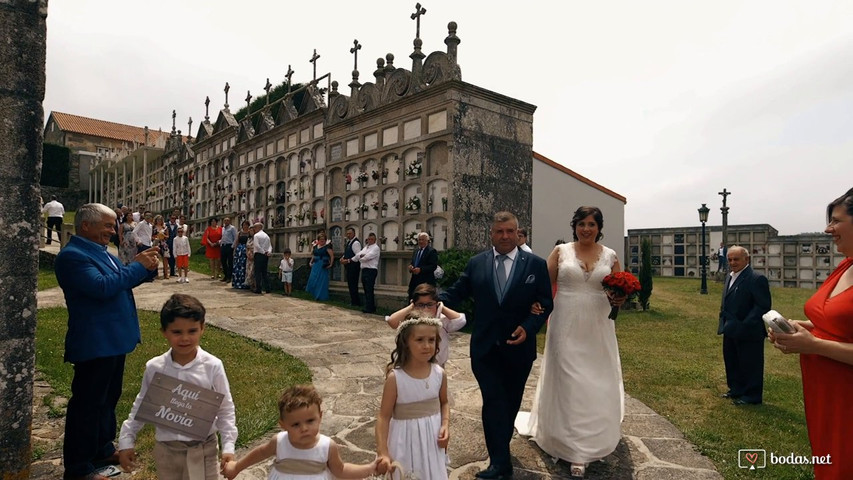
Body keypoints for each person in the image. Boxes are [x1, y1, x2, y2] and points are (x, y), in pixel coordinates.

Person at [439, 211, 552, 480]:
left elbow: (546, 303)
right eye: (499, 232)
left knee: (510, 402)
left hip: (519, 349)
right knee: (492, 401)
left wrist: (528, 326)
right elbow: (456, 292)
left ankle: (500, 450)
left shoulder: (535, 265)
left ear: (517, 233)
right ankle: (500, 463)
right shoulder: (477, 263)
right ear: (491, 233)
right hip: (485, 348)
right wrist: (429, 299)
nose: (505, 236)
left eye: (510, 231)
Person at [516, 206, 626, 477]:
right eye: (581, 223)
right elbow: (542, 286)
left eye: (591, 224)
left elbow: (619, 289)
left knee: (595, 380)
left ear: (599, 227)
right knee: (569, 379)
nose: (586, 229)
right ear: (574, 226)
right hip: (564, 323)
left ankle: (593, 439)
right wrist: (531, 309)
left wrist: (620, 299)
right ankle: (572, 448)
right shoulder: (560, 252)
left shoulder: (610, 256)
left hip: (598, 326)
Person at [54, 203, 159, 480]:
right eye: (108, 225)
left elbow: (119, 281)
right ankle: (78, 468)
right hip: (95, 342)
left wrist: (146, 268)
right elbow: (102, 287)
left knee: (107, 400)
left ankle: (101, 448)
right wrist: (136, 267)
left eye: (113, 225)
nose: (112, 231)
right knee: (87, 406)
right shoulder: (72, 257)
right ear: (86, 225)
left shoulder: (103, 252)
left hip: (113, 340)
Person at [769, 188, 853, 479]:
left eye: (836, 221)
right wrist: (804, 328)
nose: (828, 229)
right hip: (825, 395)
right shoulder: (845, 265)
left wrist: (814, 344)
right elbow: (840, 325)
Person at [118, 294, 237, 479]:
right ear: (164, 331)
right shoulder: (155, 368)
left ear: (202, 329)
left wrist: (229, 446)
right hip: (167, 451)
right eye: (177, 332)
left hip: (204, 449)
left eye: (192, 331)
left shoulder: (212, 366)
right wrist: (127, 440)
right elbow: (142, 405)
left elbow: (225, 408)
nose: (185, 338)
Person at [223, 384, 378, 480]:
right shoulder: (279, 442)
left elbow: (341, 470)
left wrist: (370, 469)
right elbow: (259, 453)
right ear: (283, 425)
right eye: (295, 424)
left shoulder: (327, 446)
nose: (304, 428)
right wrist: (237, 467)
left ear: (320, 417)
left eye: (310, 421)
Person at [376, 316, 450, 480]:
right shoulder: (396, 378)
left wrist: (445, 425)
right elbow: (383, 416)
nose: (426, 346)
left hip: (432, 442)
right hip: (404, 441)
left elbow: (444, 402)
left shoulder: (439, 374)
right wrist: (383, 452)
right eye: (419, 340)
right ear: (406, 343)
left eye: (431, 340)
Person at [717, 245, 771, 405]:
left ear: (746, 259)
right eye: (730, 259)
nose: (732, 262)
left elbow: (762, 305)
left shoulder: (756, 278)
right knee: (732, 360)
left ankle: (752, 395)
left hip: (749, 330)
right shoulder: (730, 276)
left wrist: (745, 323)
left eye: (736, 259)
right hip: (730, 328)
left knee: (750, 363)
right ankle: (736, 389)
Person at [385, 283, 466, 367]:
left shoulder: (442, 320)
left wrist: (442, 308)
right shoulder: (411, 320)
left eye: (430, 304)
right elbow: (392, 322)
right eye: (420, 305)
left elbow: (460, 321)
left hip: (437, 365)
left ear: (436, 304)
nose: (425, 309)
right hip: (413, 364)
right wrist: (411, 307)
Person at [353, 232, 380, 313]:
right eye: (369, 239)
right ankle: (369, 306)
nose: (370, 240)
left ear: (375, 240)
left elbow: (367, 257)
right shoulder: (366, 247)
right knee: (365, 289)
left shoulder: (376, 248)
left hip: (371, 270)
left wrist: (361, 258)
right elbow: (359, 255)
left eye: (372, 239)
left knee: (369, 289)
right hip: (364, 269)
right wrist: (360, 257)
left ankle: (370, 308)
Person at [407, 232, 439, 297]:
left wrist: (421, 270)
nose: (421, 241)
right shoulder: (416, 251)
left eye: (423, 240)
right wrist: (411, 267)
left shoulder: (431, 251)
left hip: (425, 281)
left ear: (427, 241)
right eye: (419, 240)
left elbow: (433, 266)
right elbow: (414, 262)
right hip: (414, 281)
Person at [305, 232, 334, 301]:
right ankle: (314, 294)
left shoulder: (327, 247)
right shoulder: (315, 246)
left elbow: (332, 256)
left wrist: (331, 264)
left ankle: (320, 296)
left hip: (322, 264)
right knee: (313, 279)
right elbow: (314, 255)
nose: (322, 241)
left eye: (323, 240)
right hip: (316, 264)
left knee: (321, 280)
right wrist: (311, 262)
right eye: (320, 240)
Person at [340, 227, 362, 307]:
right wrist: (343, 258)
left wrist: (348, 260)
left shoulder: (356, 243)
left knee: (353, 284)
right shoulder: (349, 242)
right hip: (349, 266)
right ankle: (353, 301)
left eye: (350, 233)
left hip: (353, 266)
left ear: (354, 234)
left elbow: (358, 255)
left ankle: (355, 302)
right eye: (347, 234)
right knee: (350, 284)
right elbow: (348, 252)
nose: (348, 235)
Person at [252, 222, 272, 294]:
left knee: (257, 272)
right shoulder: (266, 236)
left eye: (255, 227)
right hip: (266, 255)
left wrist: (263, 252)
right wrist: (268, 252)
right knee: (264, 272)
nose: (254, 229)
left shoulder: (256, 236)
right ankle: (267, 288)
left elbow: (257, 246)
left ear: (258, 227)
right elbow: (270, 246)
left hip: (259, 254)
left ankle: (258, 288)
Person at [232, 220, 252, 289]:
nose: (245, 226)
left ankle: (245, 283)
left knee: (244, 266)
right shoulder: (239, 233)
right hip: (239, 251)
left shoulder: (250, 233)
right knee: (238, 266)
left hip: (247, 250)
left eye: (246, 225)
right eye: (244, 225)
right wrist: (234, 251)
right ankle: (237, 282)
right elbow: (236, 242)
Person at [152, 215, 171, 280]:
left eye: (160, 220)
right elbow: (151, 235)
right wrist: (155, 237)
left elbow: (168, 236)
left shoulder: (165, 227)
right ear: (156, 220)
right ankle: (155, 273)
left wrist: (164, 236)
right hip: (156, 243)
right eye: (158, 220)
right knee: (155, 258)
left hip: (163, 243)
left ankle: (166, 273)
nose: (159, 221)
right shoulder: (153, 227)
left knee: (165, 258)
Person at [220, 216, 237, 283]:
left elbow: (235, 237)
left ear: (229, 221)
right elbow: (223, 237)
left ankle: (229, 277)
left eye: (227, 220)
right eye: (225, 220)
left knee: (230, 262)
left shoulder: (232, 228)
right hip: (223, 246)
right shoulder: (223, 228)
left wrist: (232, 246)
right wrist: (220, 242)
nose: (226, 222)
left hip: (229, 246)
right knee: (223, 261)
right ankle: (225, 275)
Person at [166, 212, 180, 278]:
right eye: (172, 218)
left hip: (174, 244)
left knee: (173, 258)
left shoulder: (177, 226)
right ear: (169, 218)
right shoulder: (166, 225)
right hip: (167, 244)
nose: (173, 219)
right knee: (168, 258)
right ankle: (166, 272)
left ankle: (172, 272)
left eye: (175, 218)